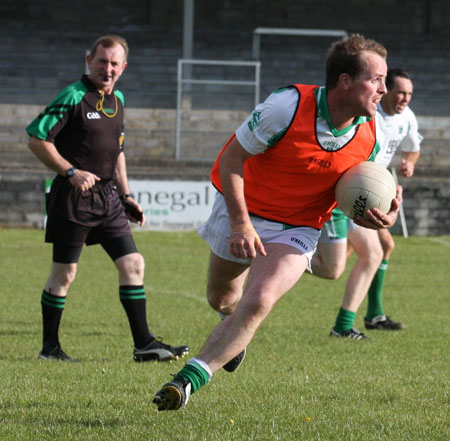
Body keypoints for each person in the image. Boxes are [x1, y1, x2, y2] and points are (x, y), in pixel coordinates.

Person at [152, 33, 400, 411]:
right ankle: (232, 334)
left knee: (259, 301)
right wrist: (241, 225)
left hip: (300, 226)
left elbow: (373, 193)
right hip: (243, 210)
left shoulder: (375, 133)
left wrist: (384, 213)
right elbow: (231, 160)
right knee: (223, 299)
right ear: (345, 81)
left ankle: (186, 382)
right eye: (376, 79)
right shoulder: (287, 106)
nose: (384, 89)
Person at [26, 35, 189, 362]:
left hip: (108, 198)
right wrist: (70, 171)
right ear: (89, 61)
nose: (108, 68)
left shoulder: (119, 100)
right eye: (102, 61)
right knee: (64, 275)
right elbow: (37, 138)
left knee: (133, 263)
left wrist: (127, 195)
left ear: (123, 67)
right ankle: (50, 349)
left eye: (115, 63)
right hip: (73, 197)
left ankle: (144, 345)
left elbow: (117, 152)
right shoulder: (73, 97)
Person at [313, 68, 422, 339]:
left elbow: (413, 147)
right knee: (339, 265)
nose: (405, 98)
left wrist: (409, 163)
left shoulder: (406, 118)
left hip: (370, 191)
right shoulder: (368, 115)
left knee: (374, 251)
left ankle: (356, 320)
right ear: (385, 90)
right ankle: (277, 253)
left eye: (409, 94)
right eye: (400, 92)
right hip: (352, 191)